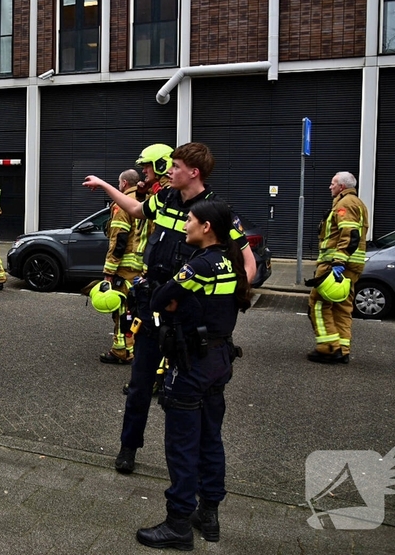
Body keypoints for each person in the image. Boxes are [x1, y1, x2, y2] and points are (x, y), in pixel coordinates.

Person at [82, 142, 257, 476]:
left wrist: (228, 298)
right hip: (155, 304)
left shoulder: (217, 212)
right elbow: (135, 211)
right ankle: (128, 448)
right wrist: (106, 186)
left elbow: (247, 264)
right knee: (139, 384)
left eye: (175, 166)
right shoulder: (164, 198)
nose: (169, 171)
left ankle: (193, 469)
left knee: (192, 394)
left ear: (194, 172)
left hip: (191, 316)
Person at [135, 199, 251, 550]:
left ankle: (178, 524)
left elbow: (159, 300)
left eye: (189, 220)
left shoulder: (199, 266)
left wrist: (168, 298)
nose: (184, 224)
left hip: (192, 364)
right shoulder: (230, 261)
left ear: (206, 228)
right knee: (210, 439)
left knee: (182, 445)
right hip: (218, 359)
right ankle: (209, 513)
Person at [306, 171, 368, 364]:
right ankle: (343, 349)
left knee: (317, 303)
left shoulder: (345, 204)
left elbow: (349, 234)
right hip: (352, 266)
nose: (329, 187)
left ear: (341, 186)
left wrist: (338, 263)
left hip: (336, 265)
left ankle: (329, 348)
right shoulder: (358, 203)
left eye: (332, 183)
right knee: (343, 307)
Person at [99, 169, 144, 364]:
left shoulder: (122, 204)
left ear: (124, 183)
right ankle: (136, 348)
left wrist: (109, 272)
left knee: (121, 310)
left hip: (125, 270)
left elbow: (119, 239)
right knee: (138, 311)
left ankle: (121, 351)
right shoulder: (147, 200)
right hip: (143, 267)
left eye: (119, 183)